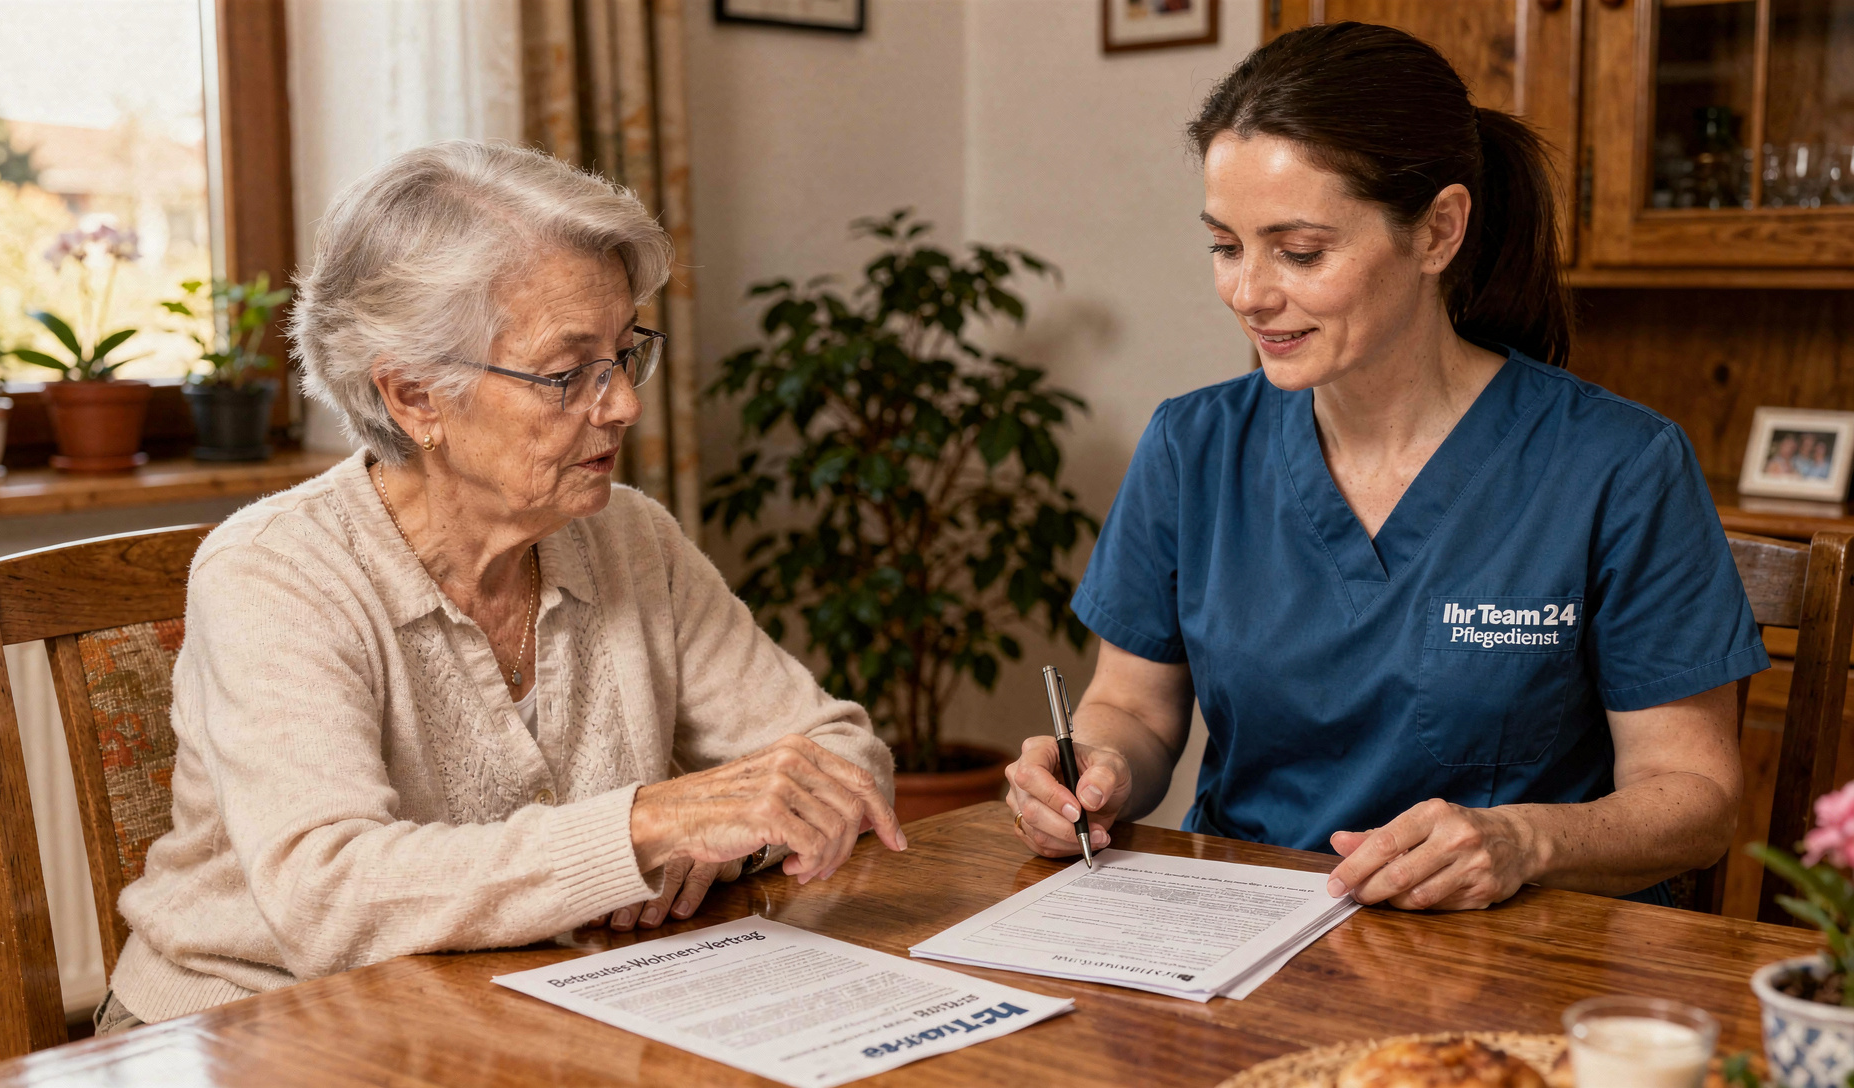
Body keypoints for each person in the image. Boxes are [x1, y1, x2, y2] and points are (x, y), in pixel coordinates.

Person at [96, 141, 902, 1034]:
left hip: (523, 1012)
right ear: (413, 397)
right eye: (566, 374)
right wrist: (641, 830)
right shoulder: (275, 572)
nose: (624, 405)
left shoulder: (631, 536)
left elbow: (836, 753)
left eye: (624, 355)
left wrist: (719, 842)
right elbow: (329, 896)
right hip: (260, 1027)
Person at [1004, 23, 1766, 913]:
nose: (1249, 292)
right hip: (1240, 944)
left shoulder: (1620, 466)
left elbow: (1695, 797)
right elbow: (1132, 710)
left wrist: (1524, 840)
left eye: (1300, 252)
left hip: (1516, 958)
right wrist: (1090, 771)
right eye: (1225, 245)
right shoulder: (1192, 446)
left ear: (1439, 230)